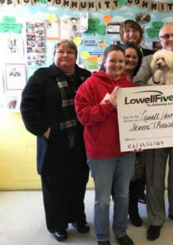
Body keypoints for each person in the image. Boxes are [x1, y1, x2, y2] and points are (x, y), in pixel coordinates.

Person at [20, 39, 90, 242]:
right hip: (53, 144)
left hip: (80, 143)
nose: (65, 55)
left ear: (76, 55)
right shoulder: (41, 76)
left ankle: (77, 217)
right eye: (61, 51)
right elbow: (27, 107)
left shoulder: (85, 76)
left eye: (70, 51)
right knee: (55, 187)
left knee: (78, 183)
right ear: (54, 54)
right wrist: (45, 130)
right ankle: (58, 225)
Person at [133, 23, 173, 241]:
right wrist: (158, 92)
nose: (170, 39)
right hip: (156, 128)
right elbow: (137, 83)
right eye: (165, 36)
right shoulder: (149, 61)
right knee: (154, 177)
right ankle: (156, 219)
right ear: (160, 39)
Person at [75, 45, 137, 245]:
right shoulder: (89, 85)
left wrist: (141, 138)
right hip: (101, 153)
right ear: (103, 61)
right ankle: (102, 237)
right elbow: (83, 116)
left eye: (121, 61)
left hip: (126, 151)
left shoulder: (131, 88)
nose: (118, 64)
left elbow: (140, 119)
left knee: (123, 194)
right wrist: (108, 105)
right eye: (113, 60)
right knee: (102, 199)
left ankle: (120, 231)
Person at [121, 42, 145, 227]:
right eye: (126, 56)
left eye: (133, 57)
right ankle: (121, 212)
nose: (129, 60)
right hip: (117, 135)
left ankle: (133, 210)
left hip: (140, 133)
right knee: (122, 178)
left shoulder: (142, 78)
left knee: (137, 176)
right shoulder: (112, 77)